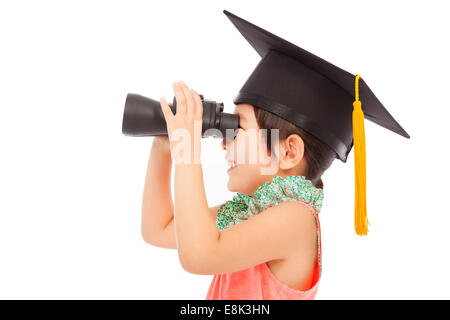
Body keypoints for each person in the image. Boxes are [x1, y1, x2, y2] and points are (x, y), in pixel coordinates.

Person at [139, 10, 410, 300]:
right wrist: (165, 144)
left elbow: (199, 256)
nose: (223, 142)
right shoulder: (249, 212)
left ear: (289, 151)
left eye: (237, 128)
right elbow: (159, 228)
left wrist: (188, 151)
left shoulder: (296, 218)